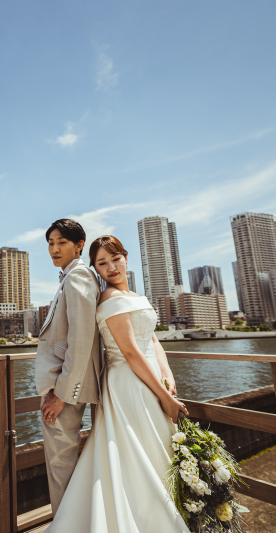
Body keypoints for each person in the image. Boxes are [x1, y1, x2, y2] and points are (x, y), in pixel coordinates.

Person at [46, 234, 189, 532]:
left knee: (154, 445)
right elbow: (130, 352)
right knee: (133, 447)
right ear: (95, 269)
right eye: (102, 263)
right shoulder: (110, 299)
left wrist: (168, 374)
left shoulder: (137, 296)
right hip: (128, 382)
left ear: (125, 258)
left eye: (115, 259)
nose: (111, 267)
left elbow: (151, 339)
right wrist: (164, 397)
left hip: (149, 377)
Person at [36, 219, 103, 515]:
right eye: (51, 243)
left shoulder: (78, 276)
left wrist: (62, 393)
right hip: (66, 385)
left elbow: (82, 337)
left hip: (64, 388)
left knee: (60, 462)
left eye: (61, 242)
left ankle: (66, 525)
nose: (54, 248)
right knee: (63, 462)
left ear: (79, 246)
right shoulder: (70, 277)